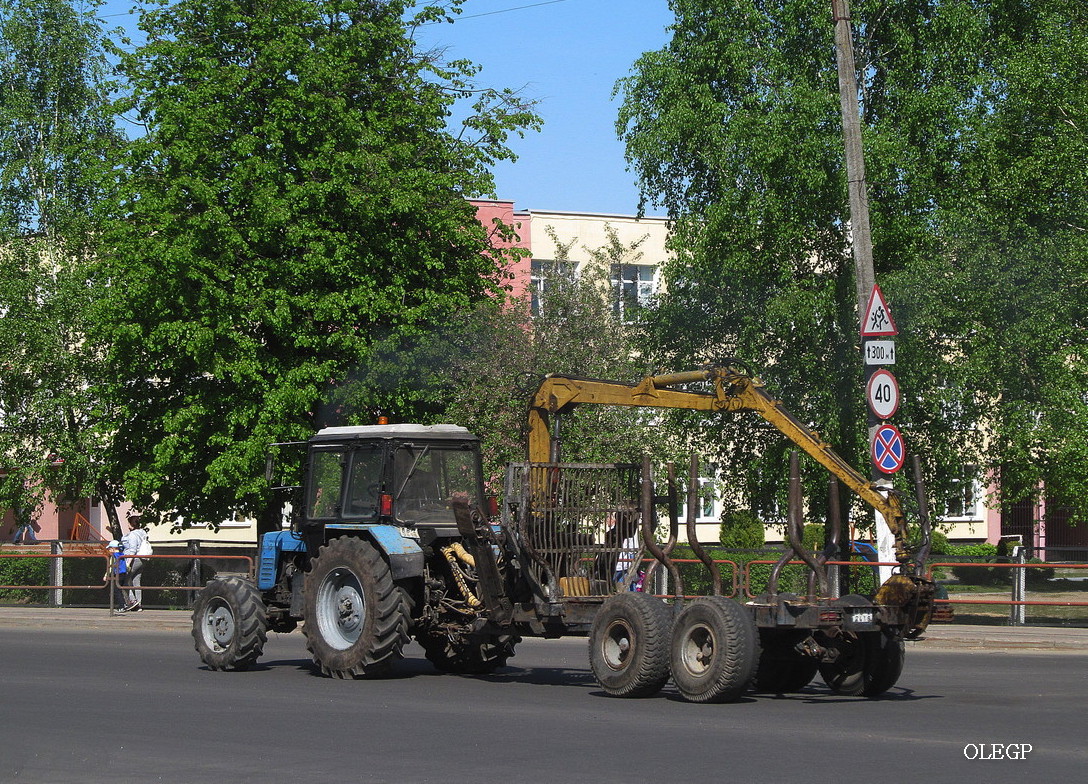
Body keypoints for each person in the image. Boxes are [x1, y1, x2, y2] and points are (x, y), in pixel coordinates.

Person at [120, 516, 150, 612]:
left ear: (131, 525)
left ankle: (132, 602)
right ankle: (139, 604)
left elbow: (132, 550)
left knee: (125, 580)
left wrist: (128, 563)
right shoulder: (143, 533)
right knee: (136, 580)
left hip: (135, 559)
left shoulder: (132, 535)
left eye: (128, 523)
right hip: (143, 558)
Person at [102, 541, 128, 610]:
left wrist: (106, 575)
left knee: (116, 590)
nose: (109, 550)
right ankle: (125, 603)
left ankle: (122, 606)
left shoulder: (113, 556)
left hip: (117, 574)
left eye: (109, 548)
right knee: (120, 589)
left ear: (113, 548)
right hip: (123, 574)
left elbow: (110, 567)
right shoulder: (122, 554)